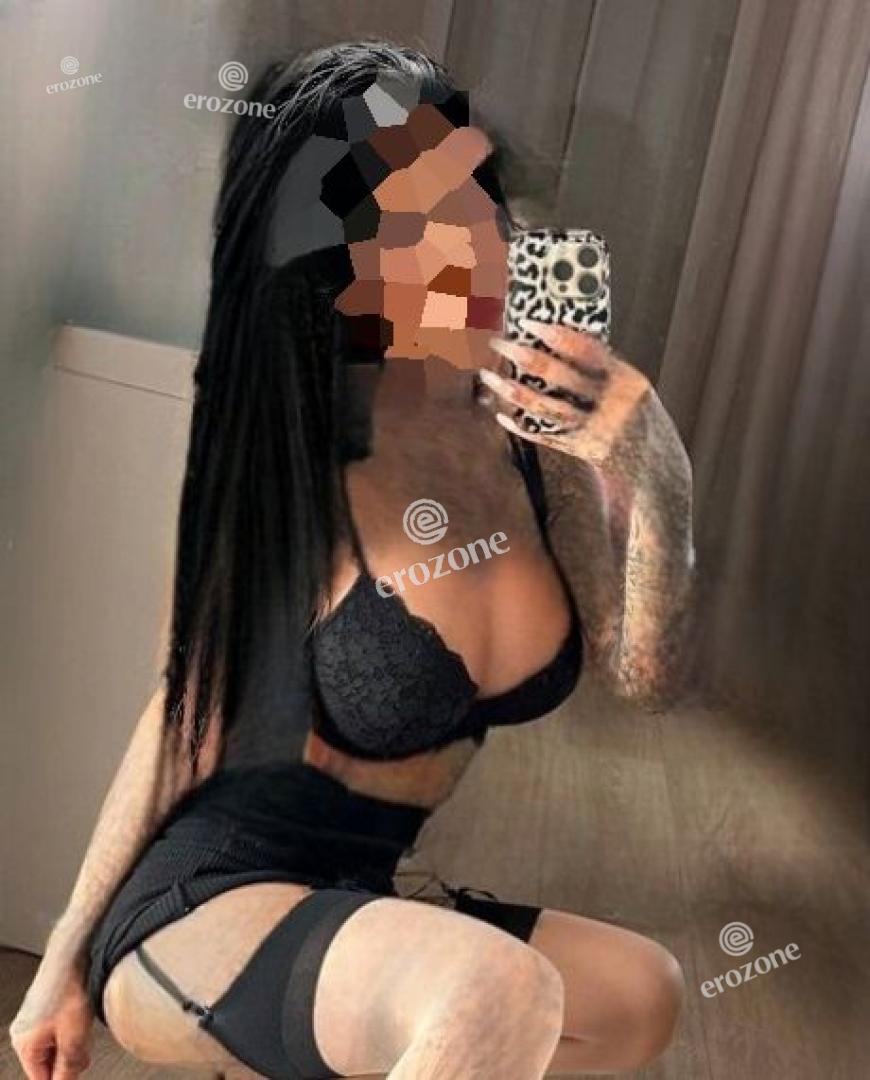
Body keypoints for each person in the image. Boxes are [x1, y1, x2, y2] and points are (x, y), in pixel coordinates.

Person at [10, 40, 695, 1080]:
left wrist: (654, 468)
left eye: (481, 204)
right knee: (498, 989)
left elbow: (642, 678)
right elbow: (179, 717)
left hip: (360, 902)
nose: (486, 247)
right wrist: (61, 959)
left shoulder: (533, 449)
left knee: (641, 991)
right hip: (206, 907)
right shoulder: (299, 463)